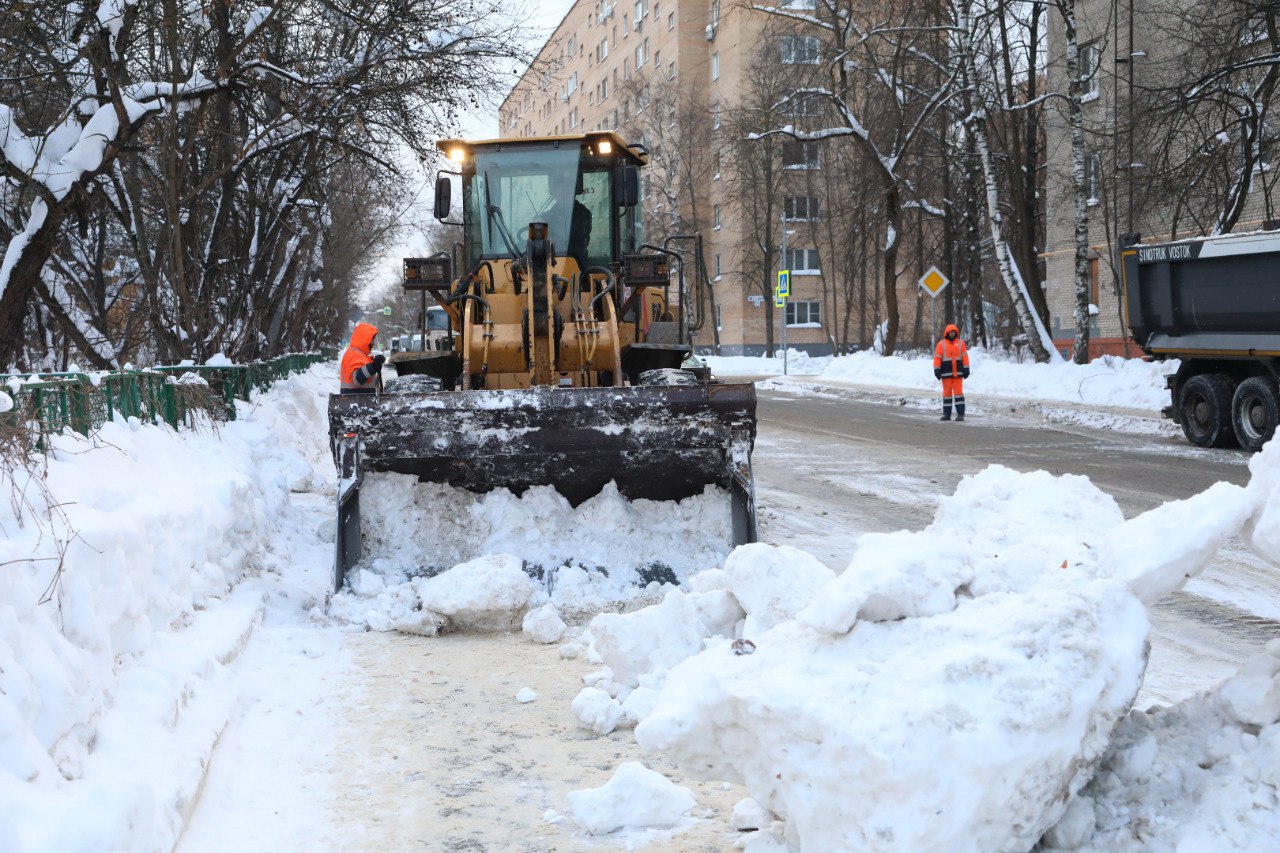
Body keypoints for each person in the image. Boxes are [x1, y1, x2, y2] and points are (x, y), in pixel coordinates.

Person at [933, 323, 970, 421]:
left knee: (958, 394)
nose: (952, 333)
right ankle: (947, 415)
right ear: (947, 333)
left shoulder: (961, 343)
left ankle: (960, 414)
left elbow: (965, 357)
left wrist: (966, 369)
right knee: (947, 395)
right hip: (946, 374)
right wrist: (937, 369)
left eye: (954, 332)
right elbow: (937, 358)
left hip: (958, 374)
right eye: (950, 332)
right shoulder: (941, 344)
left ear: (956, 333)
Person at [340, 322, 384, 394]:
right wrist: (373, 366)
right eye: (372, 340)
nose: (373, 343)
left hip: (357, 398)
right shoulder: (354, 354)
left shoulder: (359, 354)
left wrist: (374, 366)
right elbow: (357, 379)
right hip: (355, 399)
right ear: (365, 339)